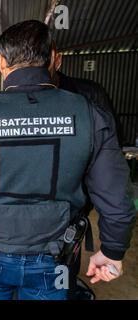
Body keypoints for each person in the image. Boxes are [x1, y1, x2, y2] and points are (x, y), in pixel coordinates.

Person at [0, 20, 135, 300]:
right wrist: (112, 250)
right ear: (54, 59)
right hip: (55, 256)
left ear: (1, 62)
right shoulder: (90, 115)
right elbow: (116, 196)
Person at [47, 46, 122, 300]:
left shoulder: (88, 96)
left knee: (64, 266)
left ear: (57, 60)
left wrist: (113, 247)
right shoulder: (13, 101)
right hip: (25, 221)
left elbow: (108, 167)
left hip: (71, 212)